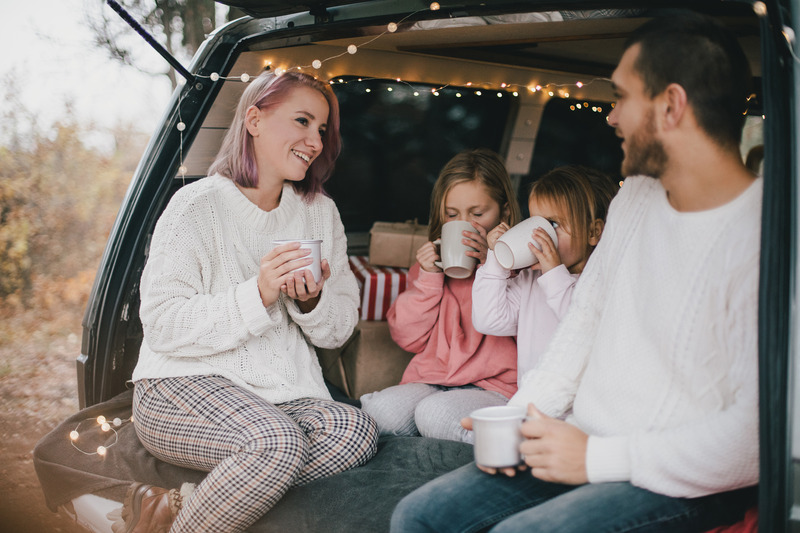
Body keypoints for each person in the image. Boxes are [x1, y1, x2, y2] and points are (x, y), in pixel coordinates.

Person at [391, 10, 760, 532]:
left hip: (677, 472)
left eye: (622, 98)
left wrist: (595, 459)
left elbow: (754, 437)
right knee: (420, 515)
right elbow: (583, 326)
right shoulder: (635, 198)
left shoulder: (763, 233)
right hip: (583, 440)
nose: (610, 117)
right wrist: (521, 415)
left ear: (671, 106)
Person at [114, 71, 378, 533]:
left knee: (355, 432)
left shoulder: (320, 212)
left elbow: (339, 331)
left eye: (321, 130)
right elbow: (162, 324)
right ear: (254, 119)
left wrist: (312, 301)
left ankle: (188, 503)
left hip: (284, 394)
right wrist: (257, 294)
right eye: (302, 121)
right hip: (181, 385)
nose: (314, 140)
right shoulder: (193, 206)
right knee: (276, 443)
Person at [360, 148, 521, 443]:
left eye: (477, 214)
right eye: (452, 215)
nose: (464, 223)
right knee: (378, 414)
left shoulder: (519, 271)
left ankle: (507, 444)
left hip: (494, 386)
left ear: (504, 212)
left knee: (434, 415)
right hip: (433, 380)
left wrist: (493, 265)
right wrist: (429, 277)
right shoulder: (427, 271)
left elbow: (525, 334)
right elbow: (407, 338)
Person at [472, 165, 617, 382]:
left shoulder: (601, 283)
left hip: (577, 409)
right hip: (531, 404)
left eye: (553, 224)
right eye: (534, 221)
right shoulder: (531, 281)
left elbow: (584, 326)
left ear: (593, 232)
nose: (539, 234)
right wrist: (495, 261)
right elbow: (488, 320)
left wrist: (554, 275)